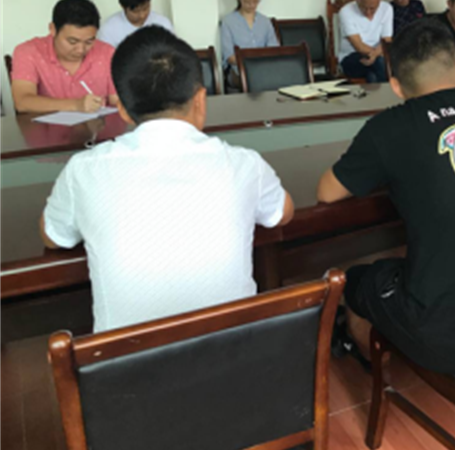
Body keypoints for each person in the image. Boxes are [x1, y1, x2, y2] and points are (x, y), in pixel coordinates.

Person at [318, 19, 455, 375]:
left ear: (395, 85)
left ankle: (372, 369)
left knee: (355, 279)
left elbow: (327, 192)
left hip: (452, 343)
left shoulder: (390, 126)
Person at [39, 27, 294, 332]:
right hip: (236, 354)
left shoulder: (83, 170)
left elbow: (53, 236)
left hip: (128, 360)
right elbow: (282, 213)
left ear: (122, 110)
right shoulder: (243, 164)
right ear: (200, 100)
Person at [11, 0, 118, 113]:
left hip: (98, 124)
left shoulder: (107, 53)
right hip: (46, 125)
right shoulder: (29, 52)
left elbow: (117, 101)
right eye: (72, 41)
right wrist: (76, 105)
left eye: (89, 42)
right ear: (52, 29)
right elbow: (22, 102)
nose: (80, 50)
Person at [220, 0, 280, 89]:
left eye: (255, 1)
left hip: (264, 69)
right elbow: (230, 57)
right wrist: (250, 64)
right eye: (247, 1)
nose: (252, 5)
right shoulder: (228, 22)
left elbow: (274, 50)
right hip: (239, 70)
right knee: (254, 80)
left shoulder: (265, 22)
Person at [338, 0, 393, 83]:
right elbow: (359, 46)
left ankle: (382, 92)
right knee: (381, 63)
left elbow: (386, 40)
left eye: (372, 9)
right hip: (352, 57)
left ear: (380, 0)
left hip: (377, 56)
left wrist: (375, 55)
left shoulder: (387, 9)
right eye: (363, 7)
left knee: (372, 76)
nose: (368, 12)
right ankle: (391, 91)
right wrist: (377, 55)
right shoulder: (346, 11)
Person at [97, 0, 174, 48]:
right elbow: (105, 57)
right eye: (136, 11)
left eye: (146, 8)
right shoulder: (109, 29)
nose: (142, 15)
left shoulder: (162, 23)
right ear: (123, 7)